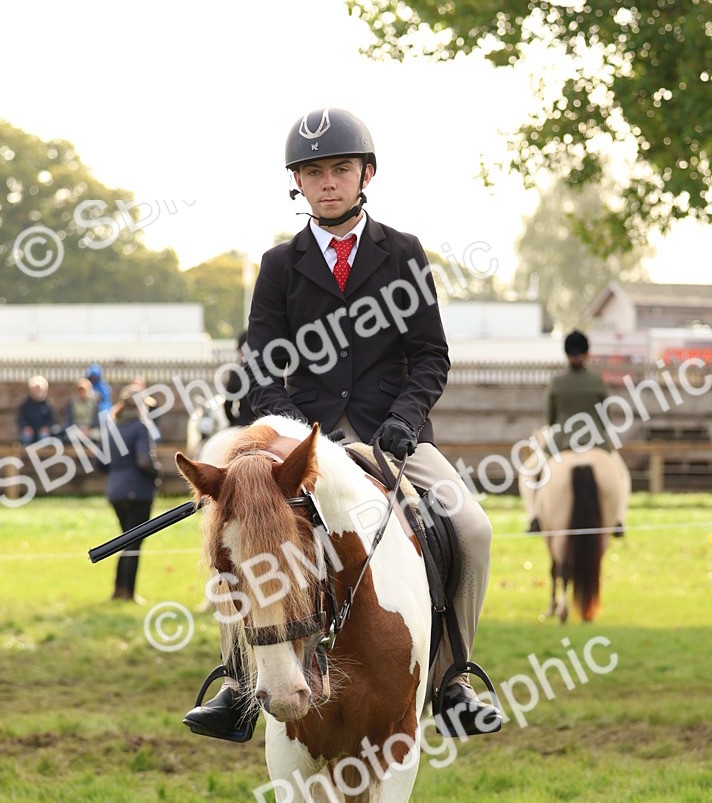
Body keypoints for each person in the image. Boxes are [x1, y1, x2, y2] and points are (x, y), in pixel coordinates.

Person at [184, 106, 500, 743]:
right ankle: (238, 680)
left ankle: (450, 679)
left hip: (392, 437)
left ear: (366, 174)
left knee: (473, 529)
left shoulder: (403, 253)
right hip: (304, 442)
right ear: (297, 182)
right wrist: (295, 434)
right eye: (313, 172)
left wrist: (406, 419)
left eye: (340, 169)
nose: (327, 182)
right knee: (241, 531)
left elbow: (430, 355)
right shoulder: (279, 265)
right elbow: (261, 365)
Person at [523, 329, 630, 534]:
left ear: (566, 354)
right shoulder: (597, 381)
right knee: (623, 477)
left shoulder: (557, 383)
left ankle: (534, 517)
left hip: (561, 441)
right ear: (587, 354)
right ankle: (618, 520)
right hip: (596, 441)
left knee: (527, 473)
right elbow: (605, 419)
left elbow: (551, 420)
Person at [105, 383, 161, 601]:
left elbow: (100, 462)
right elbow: (144, 460)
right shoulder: (140, 427)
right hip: (138, 491)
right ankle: (128, 593)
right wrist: (157, 472)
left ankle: (118, 589)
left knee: (126, 541)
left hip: (115, 491)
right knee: (134, 544)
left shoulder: (113, 428)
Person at [222, 332, 256, 426]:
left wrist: (234, 422)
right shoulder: (266, 371)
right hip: (265, 424)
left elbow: (228, 405)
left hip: (244, 424)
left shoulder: (236, 372)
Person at [17, 376, 60, 446]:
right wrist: (26, 427)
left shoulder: (48, 404)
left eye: (39, 390)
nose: (37, 392)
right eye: (35, 390)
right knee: (25, 438)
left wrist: (47, 427)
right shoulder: (25, 404)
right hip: (30, 431)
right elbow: (21, 418)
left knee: (44, 437)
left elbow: (52, 419)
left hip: (43, 431)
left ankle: (44, 453)